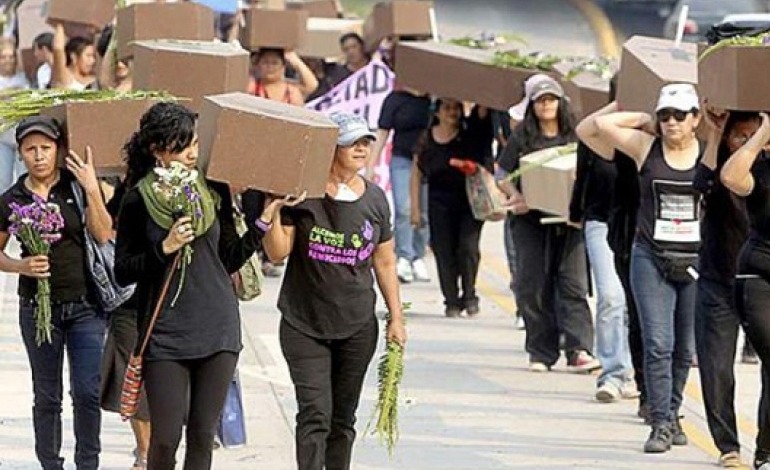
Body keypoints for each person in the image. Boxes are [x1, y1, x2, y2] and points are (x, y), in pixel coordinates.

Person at [114, 102, 270, 469]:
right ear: (157, 149)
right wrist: (164, 248)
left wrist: (262, 223)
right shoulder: (137, 198)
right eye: (182, 145)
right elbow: (123, 271)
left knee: (203, 436)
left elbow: (228, 257)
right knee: (165, 439)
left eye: (195, 143)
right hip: (165, 334)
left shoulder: (212, 188)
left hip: (218, 330)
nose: (191, 153)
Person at [262, 112, 407, 470]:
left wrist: (396, 318)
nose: (361, 149)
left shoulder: (375, 199)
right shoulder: (303, 195)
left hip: (357, 325)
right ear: (330, 148)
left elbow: (385, 262)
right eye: (352, 143)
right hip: (304, 323)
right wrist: (273, 208)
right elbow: (277, 253)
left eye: (365, 142)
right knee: (314, 414)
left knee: (342, 419)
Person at [584, 83, 702, 453]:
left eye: (679, 116)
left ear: (695, 119)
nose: (671, 123)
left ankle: (674, 411)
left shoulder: (708, 152)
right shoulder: (645, 147)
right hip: (650, 256)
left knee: (684, 348)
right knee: (657, 343)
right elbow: (596, 126)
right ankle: (660, 422)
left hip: (695, 261)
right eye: (665, 115)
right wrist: (642, 118)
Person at [0, 116, 112, 469]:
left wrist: (92, 189)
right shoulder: (12, 200)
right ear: (20, 153)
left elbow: (104, 234)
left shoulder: (75, 187)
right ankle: (50, 463)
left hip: (86, 306)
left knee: (87, 392)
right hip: (37, 308)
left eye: (45, 148)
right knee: (47, 396)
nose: (39, 156)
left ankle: (88, 463)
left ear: (58, 150)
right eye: (30, 149)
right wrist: (21, 265)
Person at [497, 74, 598, 373]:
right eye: (540, 101)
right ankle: (541, 351)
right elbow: (502, 174)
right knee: (532, 285)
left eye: (551, 99)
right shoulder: (522, 137)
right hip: (530, 221)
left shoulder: (575, 136)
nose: (546, 105)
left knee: (573, 285)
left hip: (569, 222)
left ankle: (579, 349)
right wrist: (517, 197)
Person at [691, 106, 762, 469]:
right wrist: (716, 133)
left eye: (754, 135)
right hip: (718, 280)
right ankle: (728, 446)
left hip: (760, 284)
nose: (746, 142)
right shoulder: (720, 172)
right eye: (740, 135)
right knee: (717, 368)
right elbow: (700, 184)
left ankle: (765, 448)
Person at [572, 101, 638, 403]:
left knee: (635, 304)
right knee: (611, 298)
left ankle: (638, 372)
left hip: (641, 226)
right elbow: (584, 145)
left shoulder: (652, 134)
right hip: (601, 221)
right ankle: (613, 373)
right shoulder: (600, 133)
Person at [720, 110, 770, 470]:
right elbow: (730, 176)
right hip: (759, 278)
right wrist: (763, 133)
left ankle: (766, 450)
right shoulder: (762, 169)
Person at [412, 99, 493, 317]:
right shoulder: (426, 138)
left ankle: (470, 295)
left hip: (469, 201)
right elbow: (416, 173)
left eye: (456, 108)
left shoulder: (469, 134)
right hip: (439, 202)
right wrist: (415, 209)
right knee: (444, 251)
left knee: (468, 248)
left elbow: (484, 134)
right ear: (437, 113)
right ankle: (451, 300)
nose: (452, 112)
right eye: (447, 108)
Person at [99, 175, 150, 470]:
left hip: (175, 302)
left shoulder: (195, 188)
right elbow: (104, 231)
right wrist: (93, 189)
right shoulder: (129, 190)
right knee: (133, 377)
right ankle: (145, 452)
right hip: (128, 300)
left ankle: (154, 449)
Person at [370, 86, 432, 283]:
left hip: (428, 162)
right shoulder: (395, 99)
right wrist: (371, 165)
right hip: (402, 160)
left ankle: (418, 255)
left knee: (424, 211)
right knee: (403, 208)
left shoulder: (433, 100)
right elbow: (382, 133)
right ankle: (404, 255)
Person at [0, 38, 30, 195]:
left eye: (11, 56)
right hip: (2, 137)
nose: (7, 60)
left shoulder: (23, 78)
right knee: (3, 179)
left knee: (22, 175)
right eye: (3, 57)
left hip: (20, 134)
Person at [248, 48, 319, 105]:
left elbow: (312, 85)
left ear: (283, 67)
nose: (270, 66)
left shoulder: (291, 91)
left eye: (274, 63)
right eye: (265, 62)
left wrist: (294, 59)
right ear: (258, 65)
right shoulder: (252, 86)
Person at [50, 23, 96, 90]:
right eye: (88, 56)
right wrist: (60, 24)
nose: (92, 61)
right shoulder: (64, 76)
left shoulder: (94, 79)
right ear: (74, 57)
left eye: (93, 56)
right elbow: (58, 49)